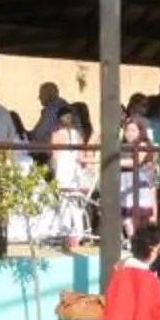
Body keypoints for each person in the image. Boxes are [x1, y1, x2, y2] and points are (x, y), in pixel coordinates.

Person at [49, 107, 93, 249]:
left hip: (63, 168)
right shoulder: (77, 135)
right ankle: (79, 233)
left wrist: (53, 170)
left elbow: (55, 156)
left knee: (64, 202)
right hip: (74, 169)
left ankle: (66, 232)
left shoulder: (56, 135)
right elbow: (81, 157)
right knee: (75, 203)